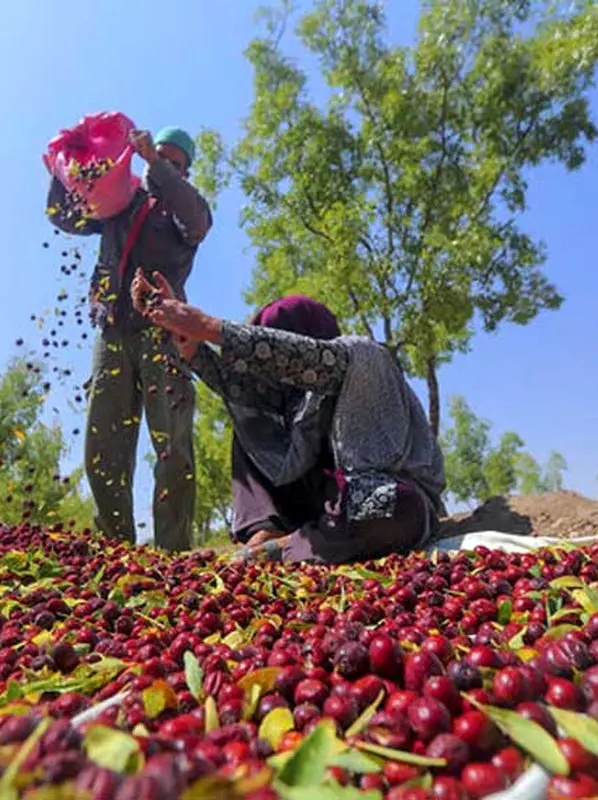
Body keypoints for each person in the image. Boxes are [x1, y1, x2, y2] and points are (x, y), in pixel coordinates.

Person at [131, 271, 447, 564]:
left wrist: (209, 327)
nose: (272, 377)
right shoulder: (289, 400)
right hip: (319, 509)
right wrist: (189, 340)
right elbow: (235, 383)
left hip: (381, 496)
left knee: (394, 506)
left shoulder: (359, 357)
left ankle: (289, 549)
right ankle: (269, 531)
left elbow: (301, 358)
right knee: (250, 417)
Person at [46, 126, 212, 552]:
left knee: (172, 445)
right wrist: (64, 166)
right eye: (160, 156)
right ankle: (116, 553)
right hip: (114, 329)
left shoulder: (186, 208)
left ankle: (174, 555)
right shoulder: (122, 202)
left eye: (175, 163)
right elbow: (69, 216)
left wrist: (156, 167)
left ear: (184, 170)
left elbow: (196, 223)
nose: (165, 165)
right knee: (104, 445)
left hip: (164, 332)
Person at [227, 298, 341, 548]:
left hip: (344, 506)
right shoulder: (269, 399)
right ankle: (266, 525)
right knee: (249, 422)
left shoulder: (347, 377)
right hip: (290, 512)